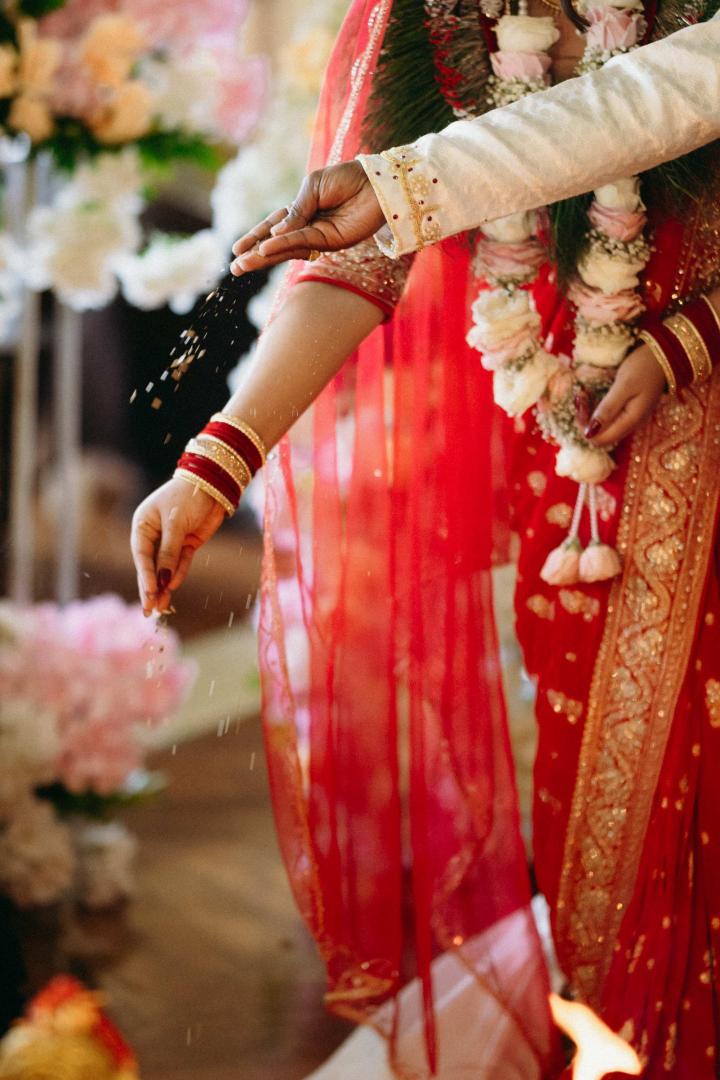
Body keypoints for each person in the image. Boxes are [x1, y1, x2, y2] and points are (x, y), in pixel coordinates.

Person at [132, 1, 720, 1075]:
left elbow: (672, 93)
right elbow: (358, 256)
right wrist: (216, 461)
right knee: (603, 839)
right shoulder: (432, 17)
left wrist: (695, 338)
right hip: (582, 464)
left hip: (703, 440)